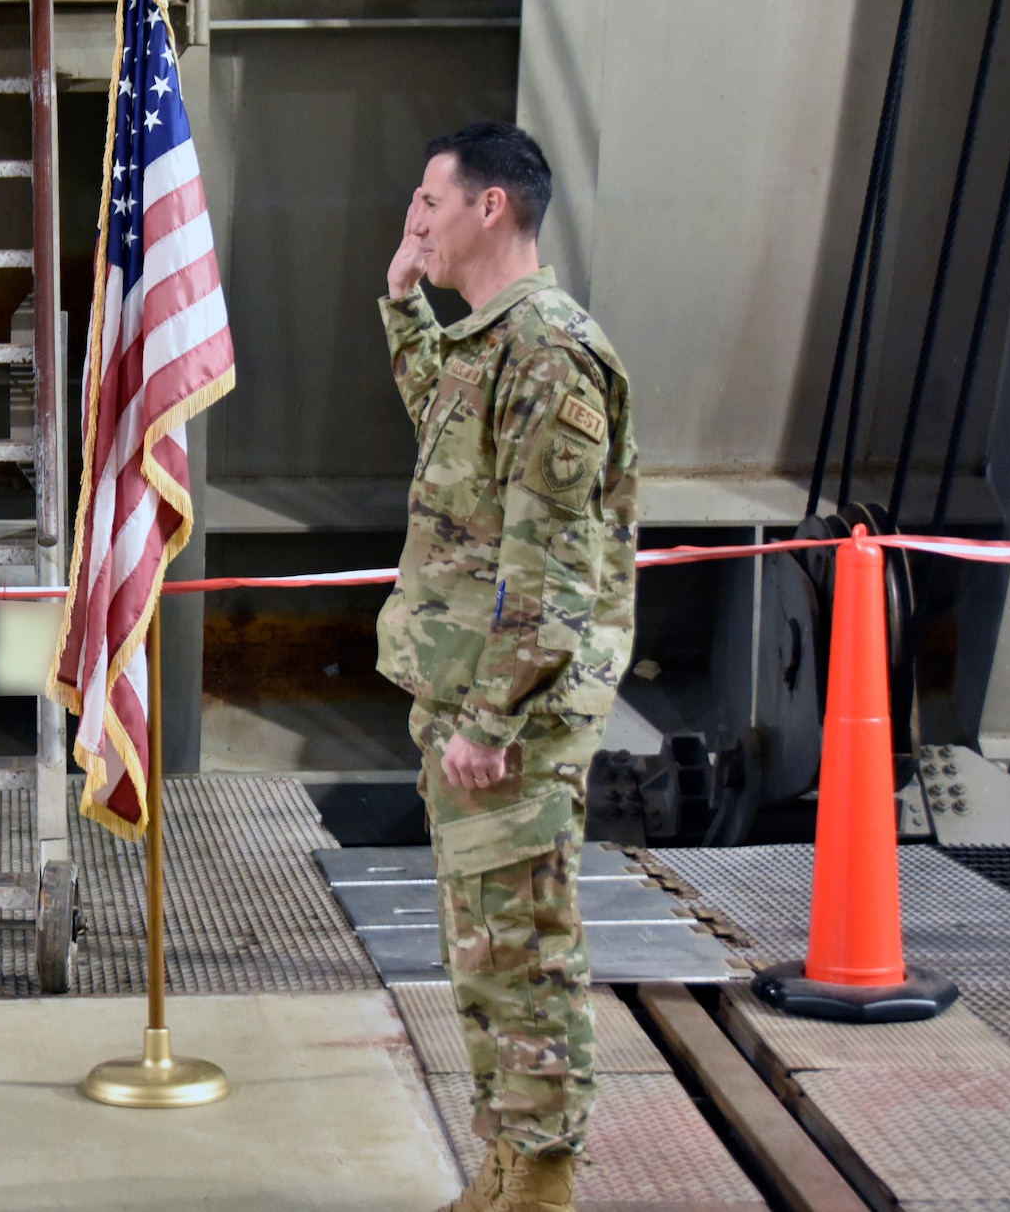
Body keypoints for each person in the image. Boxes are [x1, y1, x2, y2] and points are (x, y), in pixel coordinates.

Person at [377, 123, 638, 1212]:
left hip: (509, 716)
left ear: (490, 207)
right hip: (467, 698)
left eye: (426, 205)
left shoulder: (546, 352)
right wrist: (402, 300)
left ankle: (539, 1181)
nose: (414, 223)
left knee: (522, 948)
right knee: (481, 947)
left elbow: (550, 570)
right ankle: (504, 1166)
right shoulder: (490, 345)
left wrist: (490, 718)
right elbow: (444, 434)